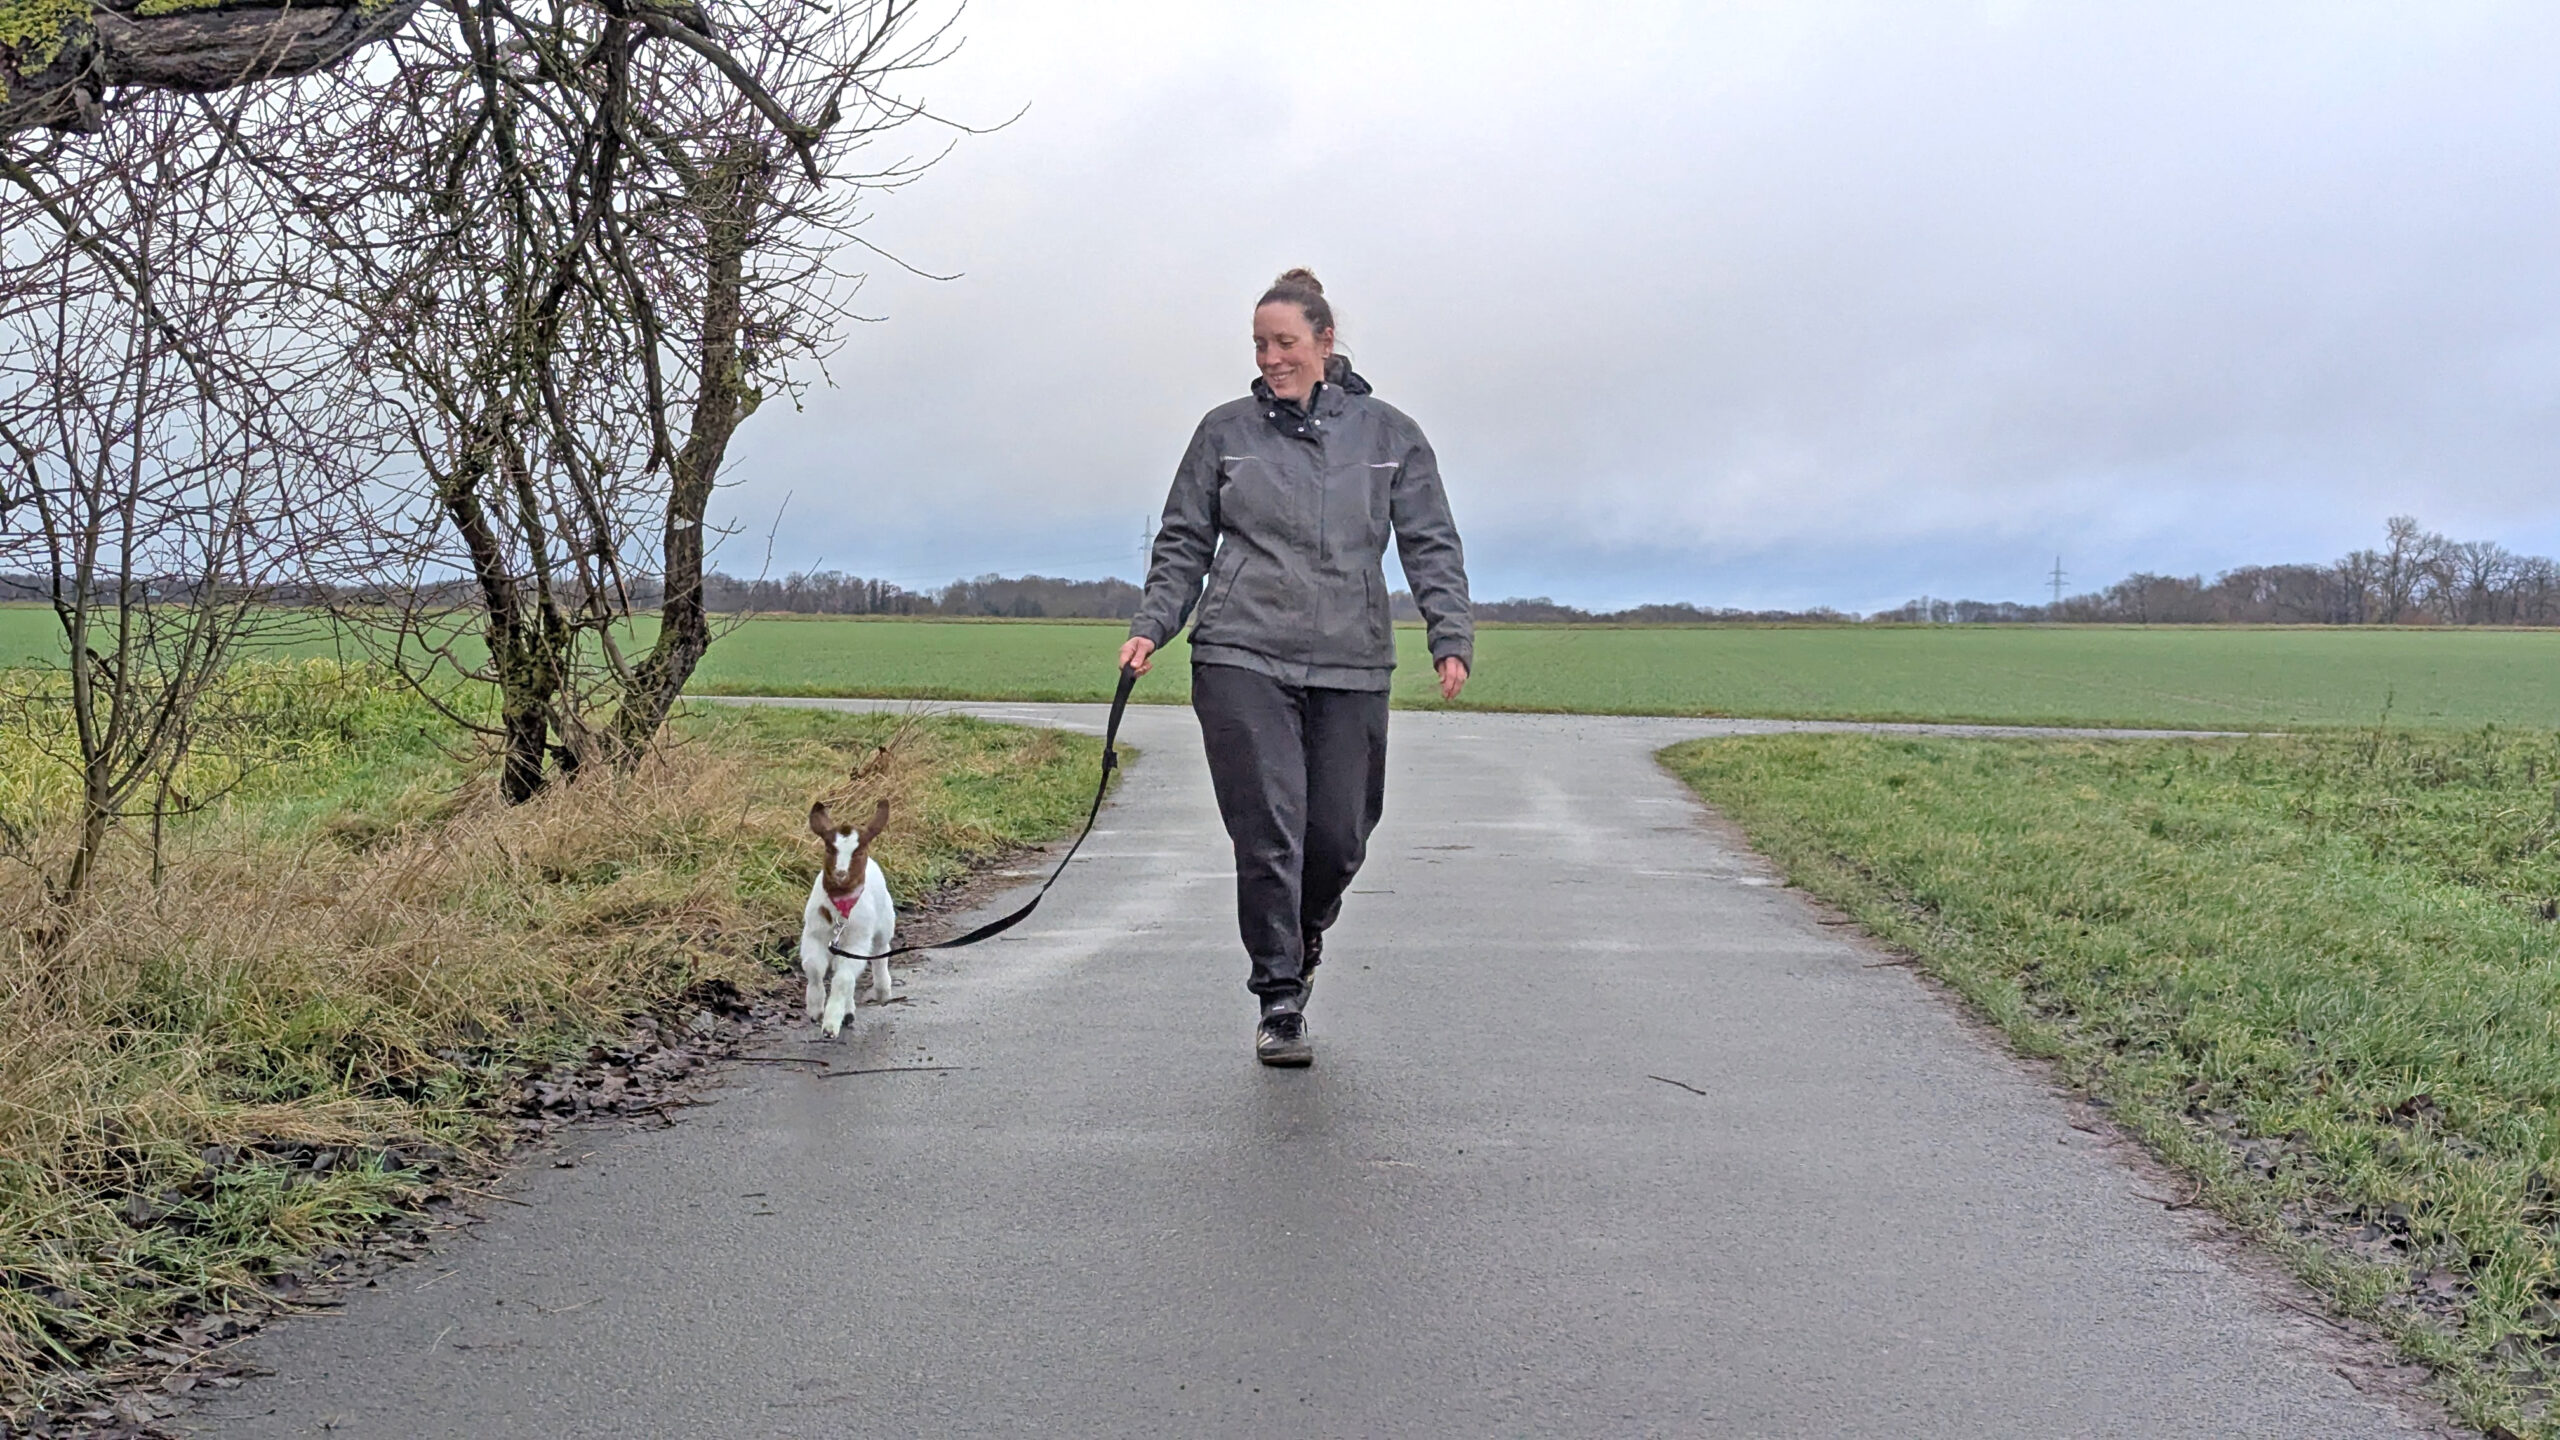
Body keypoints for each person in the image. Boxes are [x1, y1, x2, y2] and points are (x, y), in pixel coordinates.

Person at [1119, 268, 1473, 1067]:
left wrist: (1448, 631)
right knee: (1270, 831)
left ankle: (1305, 932)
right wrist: (1153, 626)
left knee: (1340, 835)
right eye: (1259, 344)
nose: (1270, 358)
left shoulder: (1391, 436)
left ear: (1324, 342)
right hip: (1241, 650)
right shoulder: (1225, 433)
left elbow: (1430, 542)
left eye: (1284, 343)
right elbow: (1182, 542)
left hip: (1352, 657)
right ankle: (1279, 996)